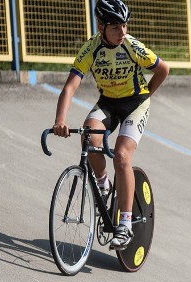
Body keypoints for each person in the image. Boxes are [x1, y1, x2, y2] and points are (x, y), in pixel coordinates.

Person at [52, 0, 169, 250]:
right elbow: (70, 87)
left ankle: (124, 226)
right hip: (109, 103)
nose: (122, 32)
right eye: (116, 27)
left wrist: (147, 95)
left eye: (125, 26)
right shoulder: (90, 49)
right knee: (88, 135)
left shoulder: (132, 46)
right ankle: (104, 185)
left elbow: (163, 69)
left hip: (136, 104)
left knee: (122, 156)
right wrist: (60, 120)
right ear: (101, 26)